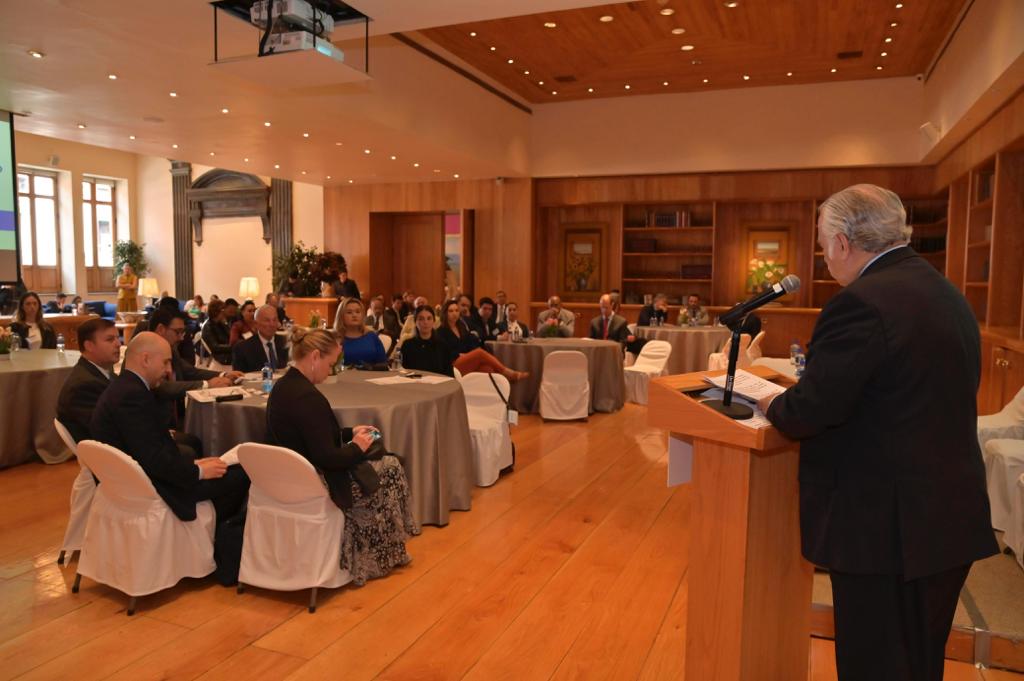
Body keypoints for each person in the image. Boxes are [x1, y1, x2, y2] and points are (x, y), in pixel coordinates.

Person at [757, 185, 998, 681]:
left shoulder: (862, 303)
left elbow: (811, 409)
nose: (825, 261)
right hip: (944, 518)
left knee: (876, 664)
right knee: (918, 662)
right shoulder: (942, 290)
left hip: (887, 530)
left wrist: (769, 402)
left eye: (825, 246)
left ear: (844, 243)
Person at [266, 327, 417, 586]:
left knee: (384, 461)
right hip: (316, 480)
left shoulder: (284, 387)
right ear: (315, 357)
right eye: (330, 363)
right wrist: (357, 446)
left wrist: (349, 432)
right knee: (390, 466)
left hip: (290, 476)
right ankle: (378, 555)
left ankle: (389, 548)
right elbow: (330, 458)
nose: (331, 370)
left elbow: (313, 435)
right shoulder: (306, 396)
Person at [90, 332, 250, 522]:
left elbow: (147, 449)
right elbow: (154, 460)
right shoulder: (132, 396)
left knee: (223, 466)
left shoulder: (125, 387)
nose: (168, 370)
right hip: (156, 488)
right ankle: (215, 537)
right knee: (243, 473)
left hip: (140, 480)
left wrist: (193, 464)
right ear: (146, 359)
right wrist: (197, 472)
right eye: (165, 362)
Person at [56, 318, 122, 443]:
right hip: (108, 455)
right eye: (110, 339)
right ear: (89, 346)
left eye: (117, 338)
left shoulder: (105, 372)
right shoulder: (84, 385)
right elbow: (107, 431)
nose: (118, 344)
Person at [437, 300, 527, 380]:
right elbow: (445, 353)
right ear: (445, 313)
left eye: (456, 310)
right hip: (452, 365)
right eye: (451, 311)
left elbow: (472, 342)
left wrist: (470, 354)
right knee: (479, 353)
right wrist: (463, 355)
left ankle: (495, 395)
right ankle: (508, 372)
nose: (454, 313)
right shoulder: (441, 331)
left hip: (466, 359)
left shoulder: (461, 327)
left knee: (488, 369)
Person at [398, 305, 453, 377]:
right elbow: (402, 371)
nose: (425, 322)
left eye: (429, 318)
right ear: (415, 322)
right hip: (414, 385)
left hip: (438, 385)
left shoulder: (442, 346)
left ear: (434, 321)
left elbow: (449, 374)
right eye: (421, 319)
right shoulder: (407, 345)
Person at [232, 305, 288, 372]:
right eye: (267, 320)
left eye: (274, 320)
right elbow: (239, 377)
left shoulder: (286, 343)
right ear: (256, 324)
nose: (272, 324)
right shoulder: (243, 348)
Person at [335, 297, 386, 366]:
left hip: (372, 376)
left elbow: (383, 363)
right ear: (341, 316)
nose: (354, 315)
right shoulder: (334, 338)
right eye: (349, 312)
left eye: (358, 312)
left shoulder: (372, 336)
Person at [201, 299, 233, 366]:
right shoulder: (207, 327)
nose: (226, 312)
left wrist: (226, 324)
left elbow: (230, 337)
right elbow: (215, 347)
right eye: (224, 310)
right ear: (217, 312)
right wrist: (233, 347)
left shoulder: (220, 323)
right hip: (221, 356)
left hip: (228, 352)